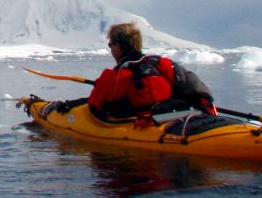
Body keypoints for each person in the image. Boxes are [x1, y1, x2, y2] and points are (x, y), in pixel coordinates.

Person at [87, 22, 215, 123]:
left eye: (111, 45)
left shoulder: (114, 76)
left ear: (119, 47)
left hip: (147, 123)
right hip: (176, 117)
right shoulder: (161, 63)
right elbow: (197, 88)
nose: (110, 50)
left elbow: (95, 106)